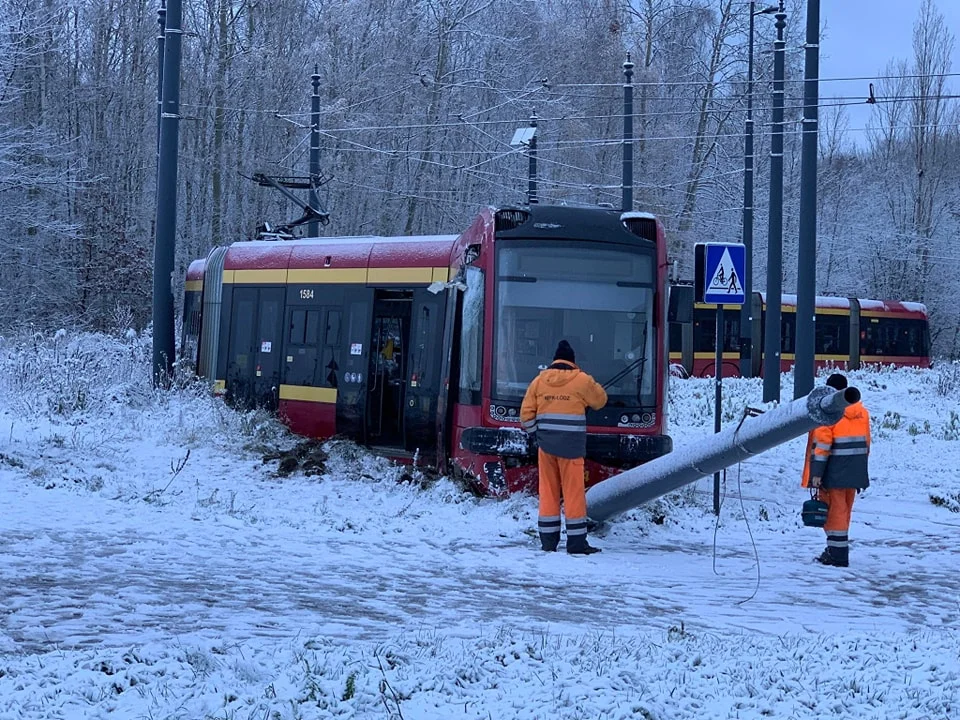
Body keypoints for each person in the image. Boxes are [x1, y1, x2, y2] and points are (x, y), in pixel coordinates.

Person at [520, 340, 608, 555]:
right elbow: (600, 401)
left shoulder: (539, 382)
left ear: (554, 361)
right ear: (573, 361)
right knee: (573, 493)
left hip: (546, 447)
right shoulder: (582, 380)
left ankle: (548, 542)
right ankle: (576, 543)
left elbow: (525, 417)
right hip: (572, 447)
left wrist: (537, 436)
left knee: (548, 492)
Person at [801, 372, 871, 568]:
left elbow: (822, 446)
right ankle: (835, 550)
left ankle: (837, 554)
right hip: (854, 472)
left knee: (834, 514)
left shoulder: (829, 414)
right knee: (845, 511)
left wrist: (816, 474)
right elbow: (866, 443)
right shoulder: (862, 413)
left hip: (833, 473)